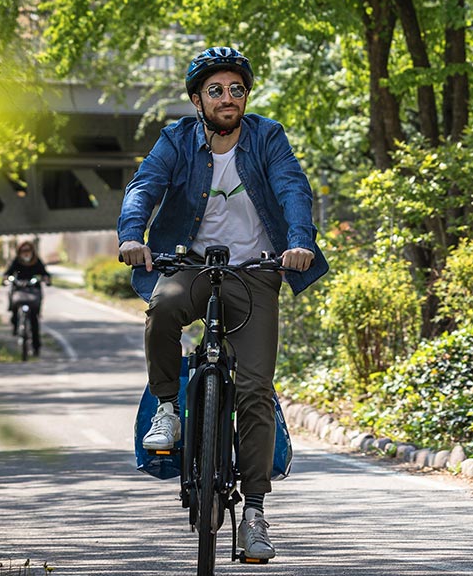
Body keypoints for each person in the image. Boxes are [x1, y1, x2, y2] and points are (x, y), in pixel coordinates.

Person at [117, 46, 328, 562]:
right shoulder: (176, 139)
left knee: (255, 389)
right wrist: (132, 235)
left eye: (236, 89)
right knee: (163, 309)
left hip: (256, 272)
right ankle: (168, 408)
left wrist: (298, 242)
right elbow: (143, 185)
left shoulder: (267, 136)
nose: (228, 98)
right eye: (217, 90)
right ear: (197, 99)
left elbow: (292, 188)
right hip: (188, 264)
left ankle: (254, 513)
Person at [1, 241, 50, 340]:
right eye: (23, 251)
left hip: (33, 290)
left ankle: (36, 346)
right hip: (18, 289)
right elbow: (8, 273)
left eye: (28, 250)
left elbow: (45, 273)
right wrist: (6, 279)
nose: (26, 253)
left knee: (34, 319)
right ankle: (15, 325)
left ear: (32, 251)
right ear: (19, 252)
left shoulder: (37, 261)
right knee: (14, 307)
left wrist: (45, 279)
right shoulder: (17, 261)